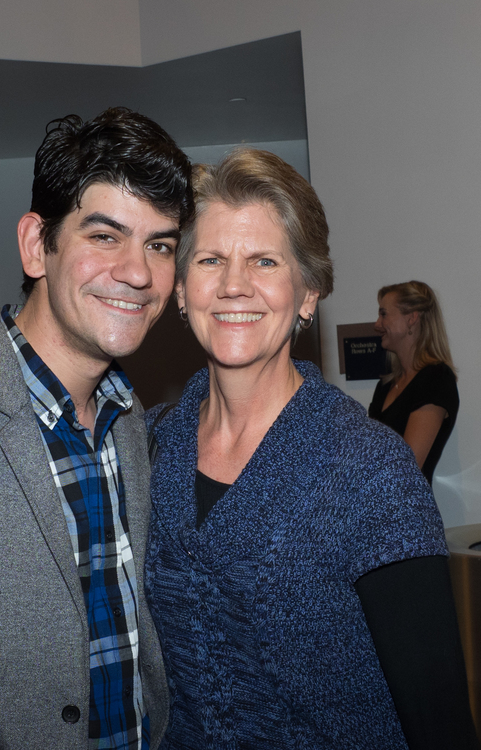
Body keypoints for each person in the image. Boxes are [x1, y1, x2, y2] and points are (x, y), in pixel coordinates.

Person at [0, 107, 193, 750]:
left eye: (159, 244)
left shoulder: (128, 423)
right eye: (105, 236)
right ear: (35, 245)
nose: (138, 273)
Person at [145, 149, 478, 750]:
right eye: (211, 259)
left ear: (308, 293)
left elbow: (441, 722)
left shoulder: (369, 471)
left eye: (265, 260)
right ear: (180, 290)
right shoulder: (149, 446)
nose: (233, 284)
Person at [369, 280, 459, 483]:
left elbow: (406, 468)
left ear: (411, 319)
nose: (377, 324)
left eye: (384, 314)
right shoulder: (385, 386)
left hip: (409, 513)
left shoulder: (436, 379)